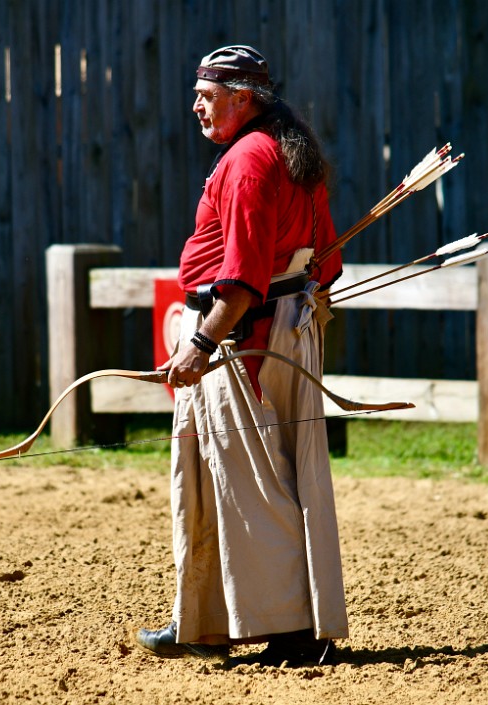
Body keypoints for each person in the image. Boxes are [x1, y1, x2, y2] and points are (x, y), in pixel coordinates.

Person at [135, 45, 348, 667]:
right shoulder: (287, 150)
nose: (197, 106)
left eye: (208, 95)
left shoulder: (251, 160)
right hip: (282, 328)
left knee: (254, 481)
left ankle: (287, 634)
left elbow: (244, 275)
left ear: (243, 98)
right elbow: (325, 263)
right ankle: (206, 621)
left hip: (243, 336)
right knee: (240, 475)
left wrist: (202, 343)